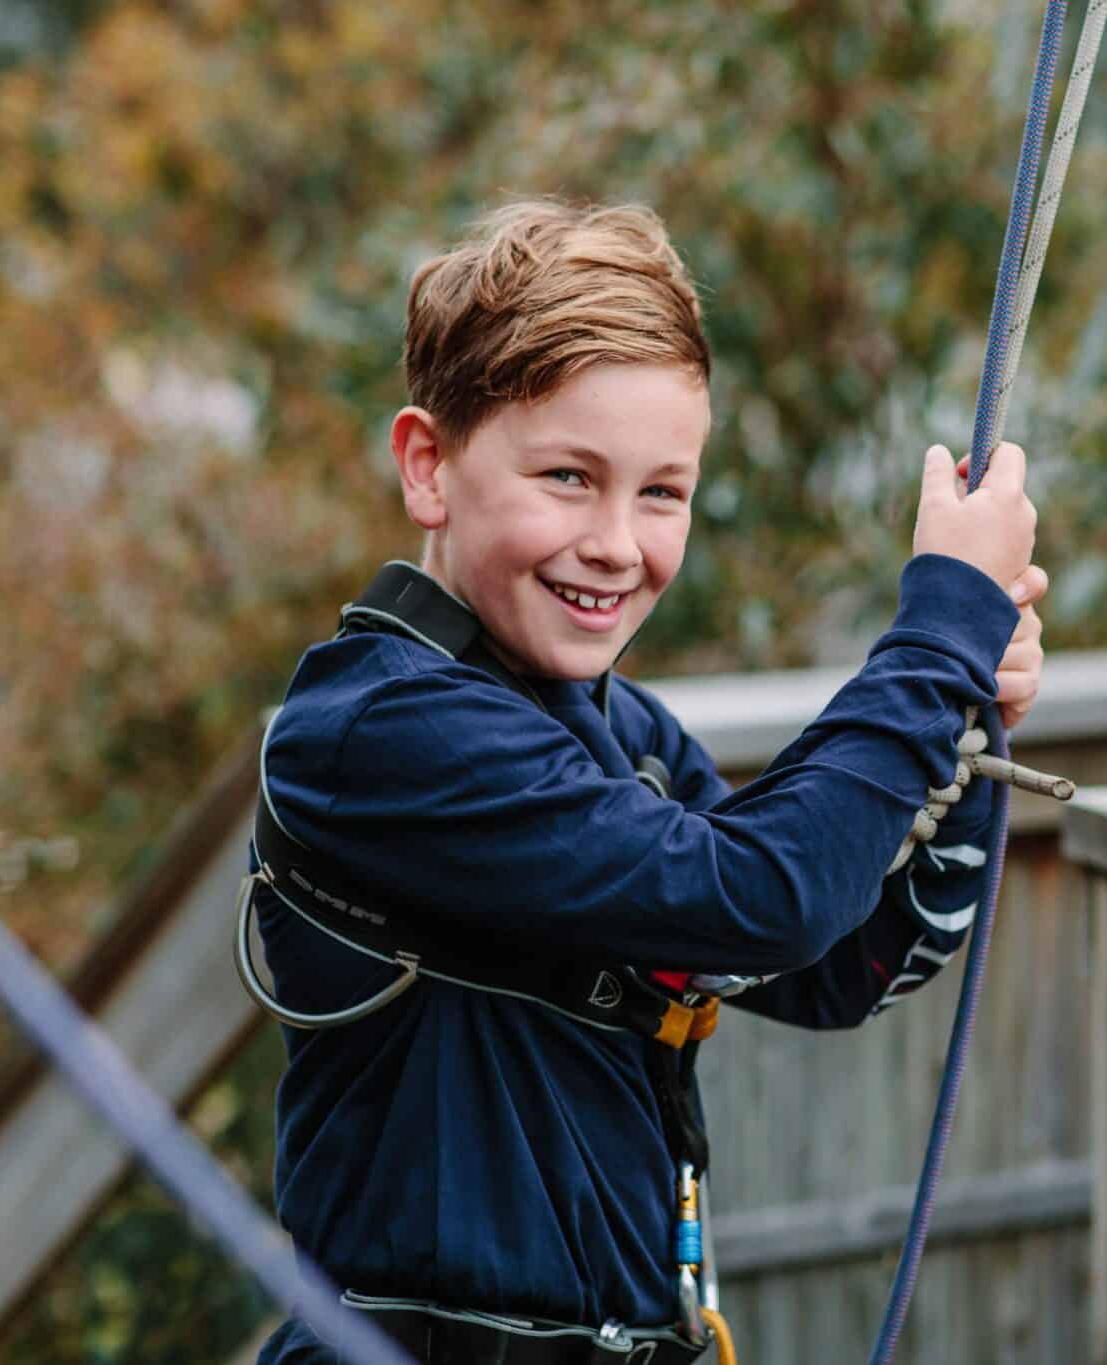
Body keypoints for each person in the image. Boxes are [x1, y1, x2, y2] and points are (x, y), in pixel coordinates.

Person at [248, 199, 1048, 1364]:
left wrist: (963, 729)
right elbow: (757, 894)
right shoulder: (377, 732)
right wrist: (932, 641)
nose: (618, 542)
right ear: (429, 467)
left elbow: (836, 963)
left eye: (660, 492)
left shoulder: (617, 733)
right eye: (569, 477)